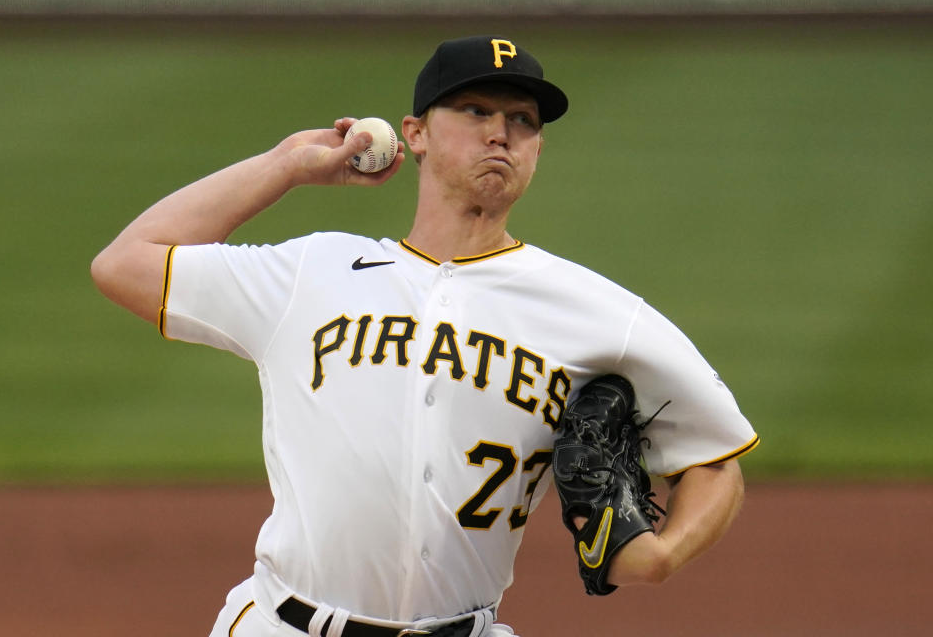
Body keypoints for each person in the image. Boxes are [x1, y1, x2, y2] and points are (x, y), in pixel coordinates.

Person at [92, 36, 758, 637]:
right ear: (414, 134)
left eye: (522, 121)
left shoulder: (598, 312)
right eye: (474, 111)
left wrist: (665, 554)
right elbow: (125, 264)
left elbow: (716, 453)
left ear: (537, 150)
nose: (500, 133)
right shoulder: (311, 271)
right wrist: (287, 165)